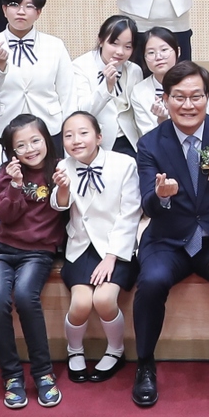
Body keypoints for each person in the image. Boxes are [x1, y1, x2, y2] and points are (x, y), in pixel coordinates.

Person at [130, 61, 209, 408]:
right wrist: (161, 196)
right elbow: (148, 203)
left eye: (196, 96)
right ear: (166, 99)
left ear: (207, 97)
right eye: (179, 97)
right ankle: (144, 364)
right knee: (151, 283)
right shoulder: (150, 144)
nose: (188, 105)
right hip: (168, 238)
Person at [52, 108, 141, 385]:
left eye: (83, 133)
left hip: (116, 247)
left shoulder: (124, 164)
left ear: (99, 137)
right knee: (80, 303)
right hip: (81, 245)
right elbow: (59, 205)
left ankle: (116, 351)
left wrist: (112, 257)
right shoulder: (63, 166)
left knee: (103, 300)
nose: (76, 140)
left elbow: (130, 214)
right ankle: (74, 350)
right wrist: (63, 188)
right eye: (68, 136)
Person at [0, 115, 67, 408]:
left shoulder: (59, 168)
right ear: (12, 151)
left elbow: (67, 206)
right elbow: (4, 215)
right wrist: (16, 185)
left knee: (24, 296)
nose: (30, 149)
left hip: (38, 252)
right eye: (21, 145)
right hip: (2, 250)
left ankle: (43, 373)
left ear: (47, 140)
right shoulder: (7, 173)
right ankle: (12, 376)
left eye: (35, 141)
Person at [0, 0, 77, 133]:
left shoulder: (55, 45)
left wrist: (70, 131)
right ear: (4, 10)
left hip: (49, 128)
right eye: (14, 5)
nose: (21, 11)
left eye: (29, 6)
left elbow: (68, 93)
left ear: (38, 12)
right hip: (4, 128)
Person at [72, 14, 143, 153]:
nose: (120, 52)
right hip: (98, 142)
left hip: (131, 140)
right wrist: (107, 86)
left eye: (128, 46)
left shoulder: (134, 70)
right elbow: (83, 113)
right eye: (114, 43)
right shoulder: (80, 66)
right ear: (101, 40)